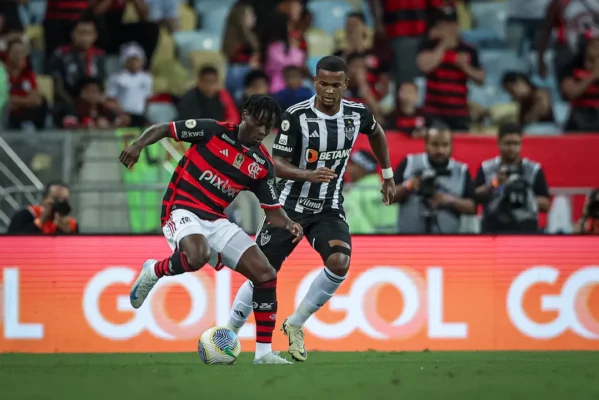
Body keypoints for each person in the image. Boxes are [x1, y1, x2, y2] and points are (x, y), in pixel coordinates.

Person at [224, 55, 396, 362]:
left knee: (340, 262)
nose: (330, 91)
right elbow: (275, 162)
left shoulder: (357, 113)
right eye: (324, 84)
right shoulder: (295, 116)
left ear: (345, 84)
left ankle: (296, 323)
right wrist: (308, 174)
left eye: (336, 85)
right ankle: (228, 333)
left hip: (329, 207)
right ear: (314, 83)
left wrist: (387, 174)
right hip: (288, 207)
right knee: (263, 273)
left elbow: (377, 133)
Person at [119, 95, 302, 365]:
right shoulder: (212, 131)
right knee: (196, 256)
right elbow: (163, 129)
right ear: (245, 115)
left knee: (265, 274)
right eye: (259, 123)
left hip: (215, 218)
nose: (263, 131)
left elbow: (272, 211)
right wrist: (137, 146)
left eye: (269, 127)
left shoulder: (262, 165)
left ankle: (263, 354)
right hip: (181, 207)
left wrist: (289, 223)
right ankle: (154, 270)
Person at [392, 124, 476, 233]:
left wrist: (448, 200)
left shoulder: (461, 170)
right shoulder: (409, 163)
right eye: (435, 145)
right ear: (426, 144)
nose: (440, 150)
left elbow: (472, 207)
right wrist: (408, 185)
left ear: (452, 146)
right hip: (409, 240)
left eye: (445, 145)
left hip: (447, 241)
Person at [474, 122, 551, 234]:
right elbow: (475, 197)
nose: (511, 148)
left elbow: (546, 204)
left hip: (527, 230)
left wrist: (524, 196)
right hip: (493, 230)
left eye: (516, 143)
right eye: (507, 143)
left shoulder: (533, 170)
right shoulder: (486, 168)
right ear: (498, 143)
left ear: (521, 144)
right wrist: (495, 184)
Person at [8, 181, 78, 234]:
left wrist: (67, 232)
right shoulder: (27, 214)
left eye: (65, 200)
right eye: (56, 199)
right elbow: (13, 241)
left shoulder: (71, 224)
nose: (60, 203)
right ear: (44, 199)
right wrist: (41, 221)